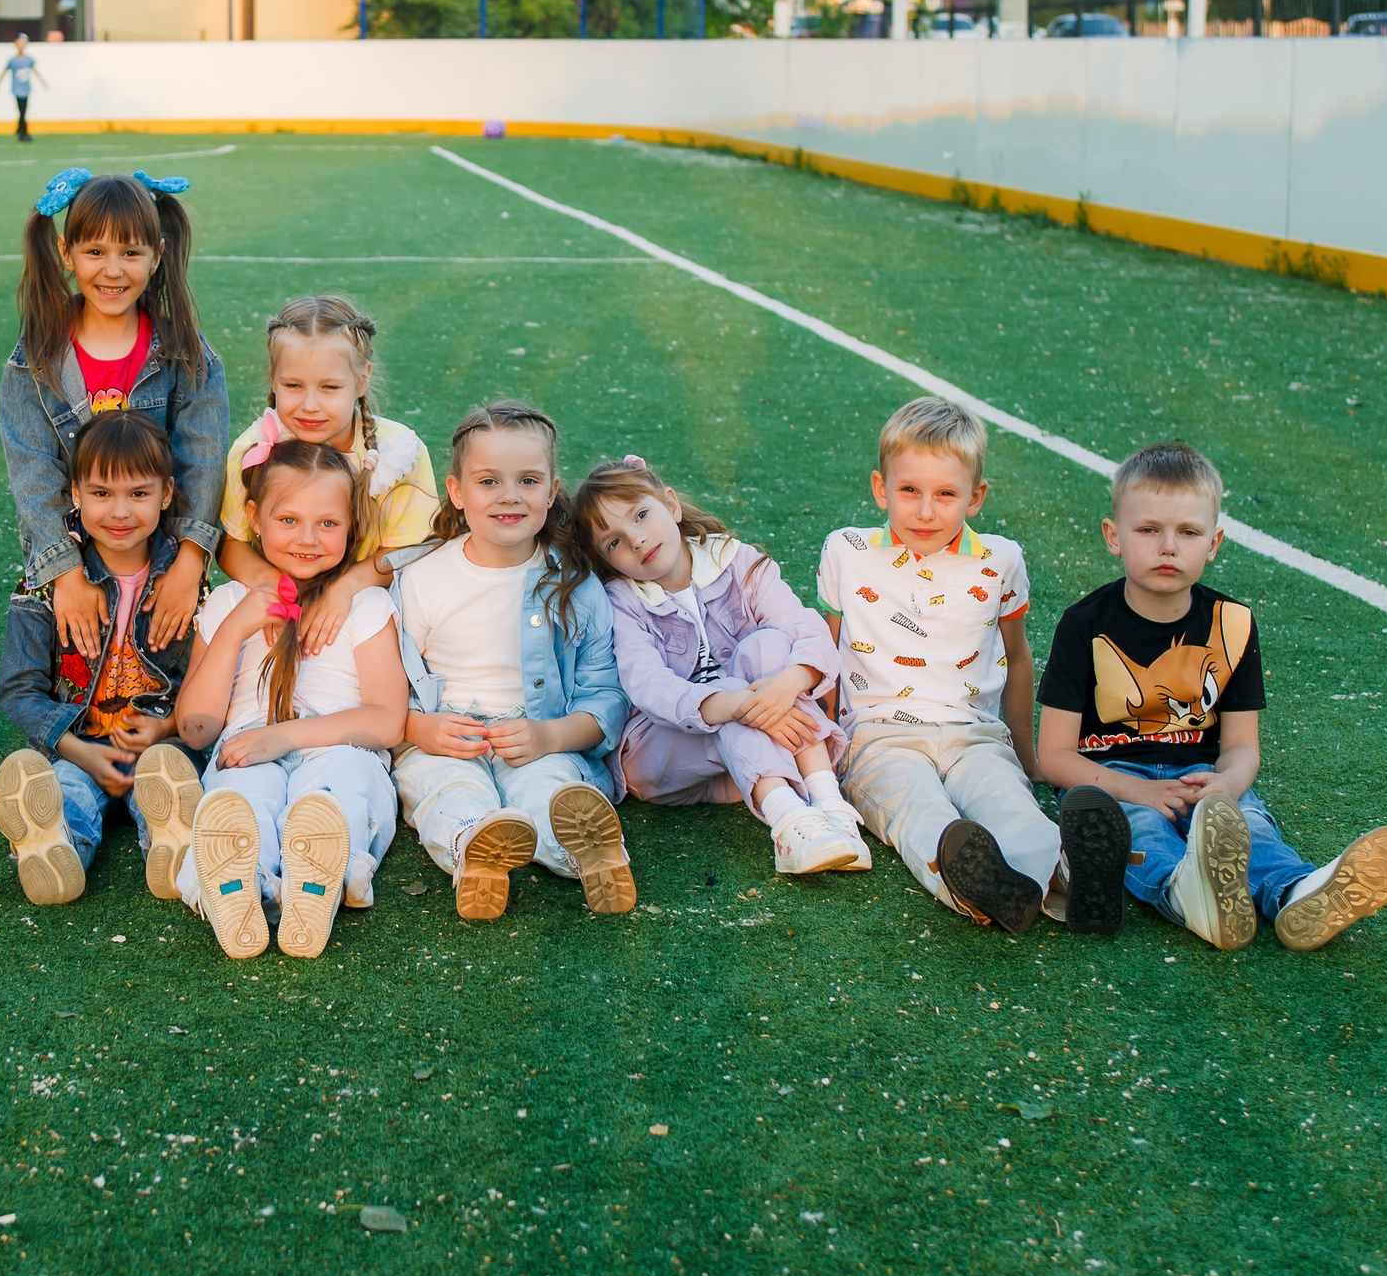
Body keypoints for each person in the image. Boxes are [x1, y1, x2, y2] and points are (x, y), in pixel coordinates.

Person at [1038, 441, 1387, 950]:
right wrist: (1140, 792)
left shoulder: (1231, 625)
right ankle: (1188, 894)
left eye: (1188, 532)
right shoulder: (1083, 624)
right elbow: (1055, 755)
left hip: (1202, 777)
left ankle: (1297, 891)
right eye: (1148, 529)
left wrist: (1229, 782)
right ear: (1114, 536)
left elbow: (1241, 744)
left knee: (1251, 831)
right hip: (1114, 779)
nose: (1168, 546)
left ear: (1213, 542)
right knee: (1142, 833)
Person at [820, 397, 1127, 934]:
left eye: (945, 494)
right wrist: (823, 759)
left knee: (1012, 807)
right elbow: (828, 651)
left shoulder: (1000, 560)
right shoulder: (846, 552)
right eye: (908, 490)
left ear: (976, 497)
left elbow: (1017, 656)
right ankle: (978, 889)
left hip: (975, 734)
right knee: (919, 812)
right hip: (878, 737)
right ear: (880, 488)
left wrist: (1027, 757)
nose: (924, 510)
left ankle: (1073, 879)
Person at [391, 402, 632, 922]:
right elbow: (390, 687)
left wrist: (550, 738)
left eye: (527, 480)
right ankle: (473, 848)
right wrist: (419, 728)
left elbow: (605, 695)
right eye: (488, 481)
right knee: (448, 791)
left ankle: (588, 854)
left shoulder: (574, 584)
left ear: (551, 490)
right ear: (457, 492)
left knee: (550, 790)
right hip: (445, 738)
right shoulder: (422, 579)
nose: (509, 496)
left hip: (538, 735)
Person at [572, 455, 870, 875]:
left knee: (769, 648)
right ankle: (790, 824)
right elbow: (651, 688)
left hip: (739, 768)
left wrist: (789, 683)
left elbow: (805, 627)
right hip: (660, 755)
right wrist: (736, 705)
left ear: (671, 505)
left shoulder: (736, 561)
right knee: (732, 698)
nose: (636, 540)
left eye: (641, 515)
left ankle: (829, 805)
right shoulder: (623, 601)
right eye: (615, 542)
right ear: (607, 559)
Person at [174, 438, 407, 959]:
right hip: (243, 747)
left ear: (352, 526)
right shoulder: (229, 602)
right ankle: (241, 885)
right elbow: (195, 730)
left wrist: (280, 736)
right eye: (289, 521)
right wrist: (234, 632)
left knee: (336, 794)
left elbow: (388, 721)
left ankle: (320, 877)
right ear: (253, 518)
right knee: (238, 800)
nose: (308, 538)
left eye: (328, 523)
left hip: (341, 747)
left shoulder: (364, 604)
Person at [0, 167, 226, 674]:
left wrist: (191, 563)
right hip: (78, 554)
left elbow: (203, 460)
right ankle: (68, 748)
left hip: (164, 554)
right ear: (65, 253)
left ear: (157, 256)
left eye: (130, 253)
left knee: (168, 682)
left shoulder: (186, 355)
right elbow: (34, 475)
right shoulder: (34, 362)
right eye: (95, 252)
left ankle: (163, 746)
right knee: (78, 683)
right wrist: (65, 574)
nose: (113, 270)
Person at [0, 409, 204, 905]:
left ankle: (171, 842)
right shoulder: (47, 586)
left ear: (166, 494)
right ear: (75, 495)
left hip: (159, 745)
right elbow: (18, 689)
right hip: (79, 744)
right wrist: (78, 749)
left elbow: (209, 676)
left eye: (138, 494)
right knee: (67, 791)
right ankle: (53, 844)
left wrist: (169, 725)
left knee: (169, 776)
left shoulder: (186, 584)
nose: (120, 513)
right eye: (102, 494)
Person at [216, 297, 437, 658]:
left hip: (371, 606)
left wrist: (343, 590)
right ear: (273, 376)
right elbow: (232, 542)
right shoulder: (251, 449)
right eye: (293, 386)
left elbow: (409, 549)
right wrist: (276, 589)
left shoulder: (401, 454)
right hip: (276, 609)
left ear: (362, 379)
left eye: (330, 388)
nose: (310, 405)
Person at [0, 33, 45, 141]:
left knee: (23, 110)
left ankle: (20, 129)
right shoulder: (13, 61)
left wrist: (43, 81)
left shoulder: (29, 59)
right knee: (21, 110)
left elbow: (35, 71)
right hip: (17, 89)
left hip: (26, 89)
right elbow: (4, 72)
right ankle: (23, 131)